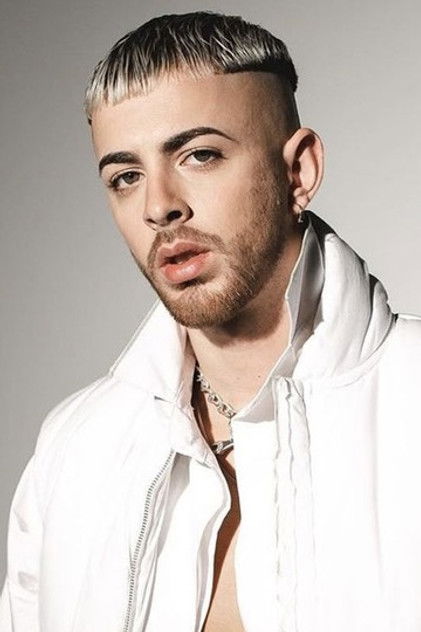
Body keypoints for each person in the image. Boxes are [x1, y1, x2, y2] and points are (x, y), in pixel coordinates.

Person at [1, 10, 420, 632]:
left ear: (298, 171)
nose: (159, 206)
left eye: (199, 155)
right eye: (125, 176)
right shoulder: (74, 449)